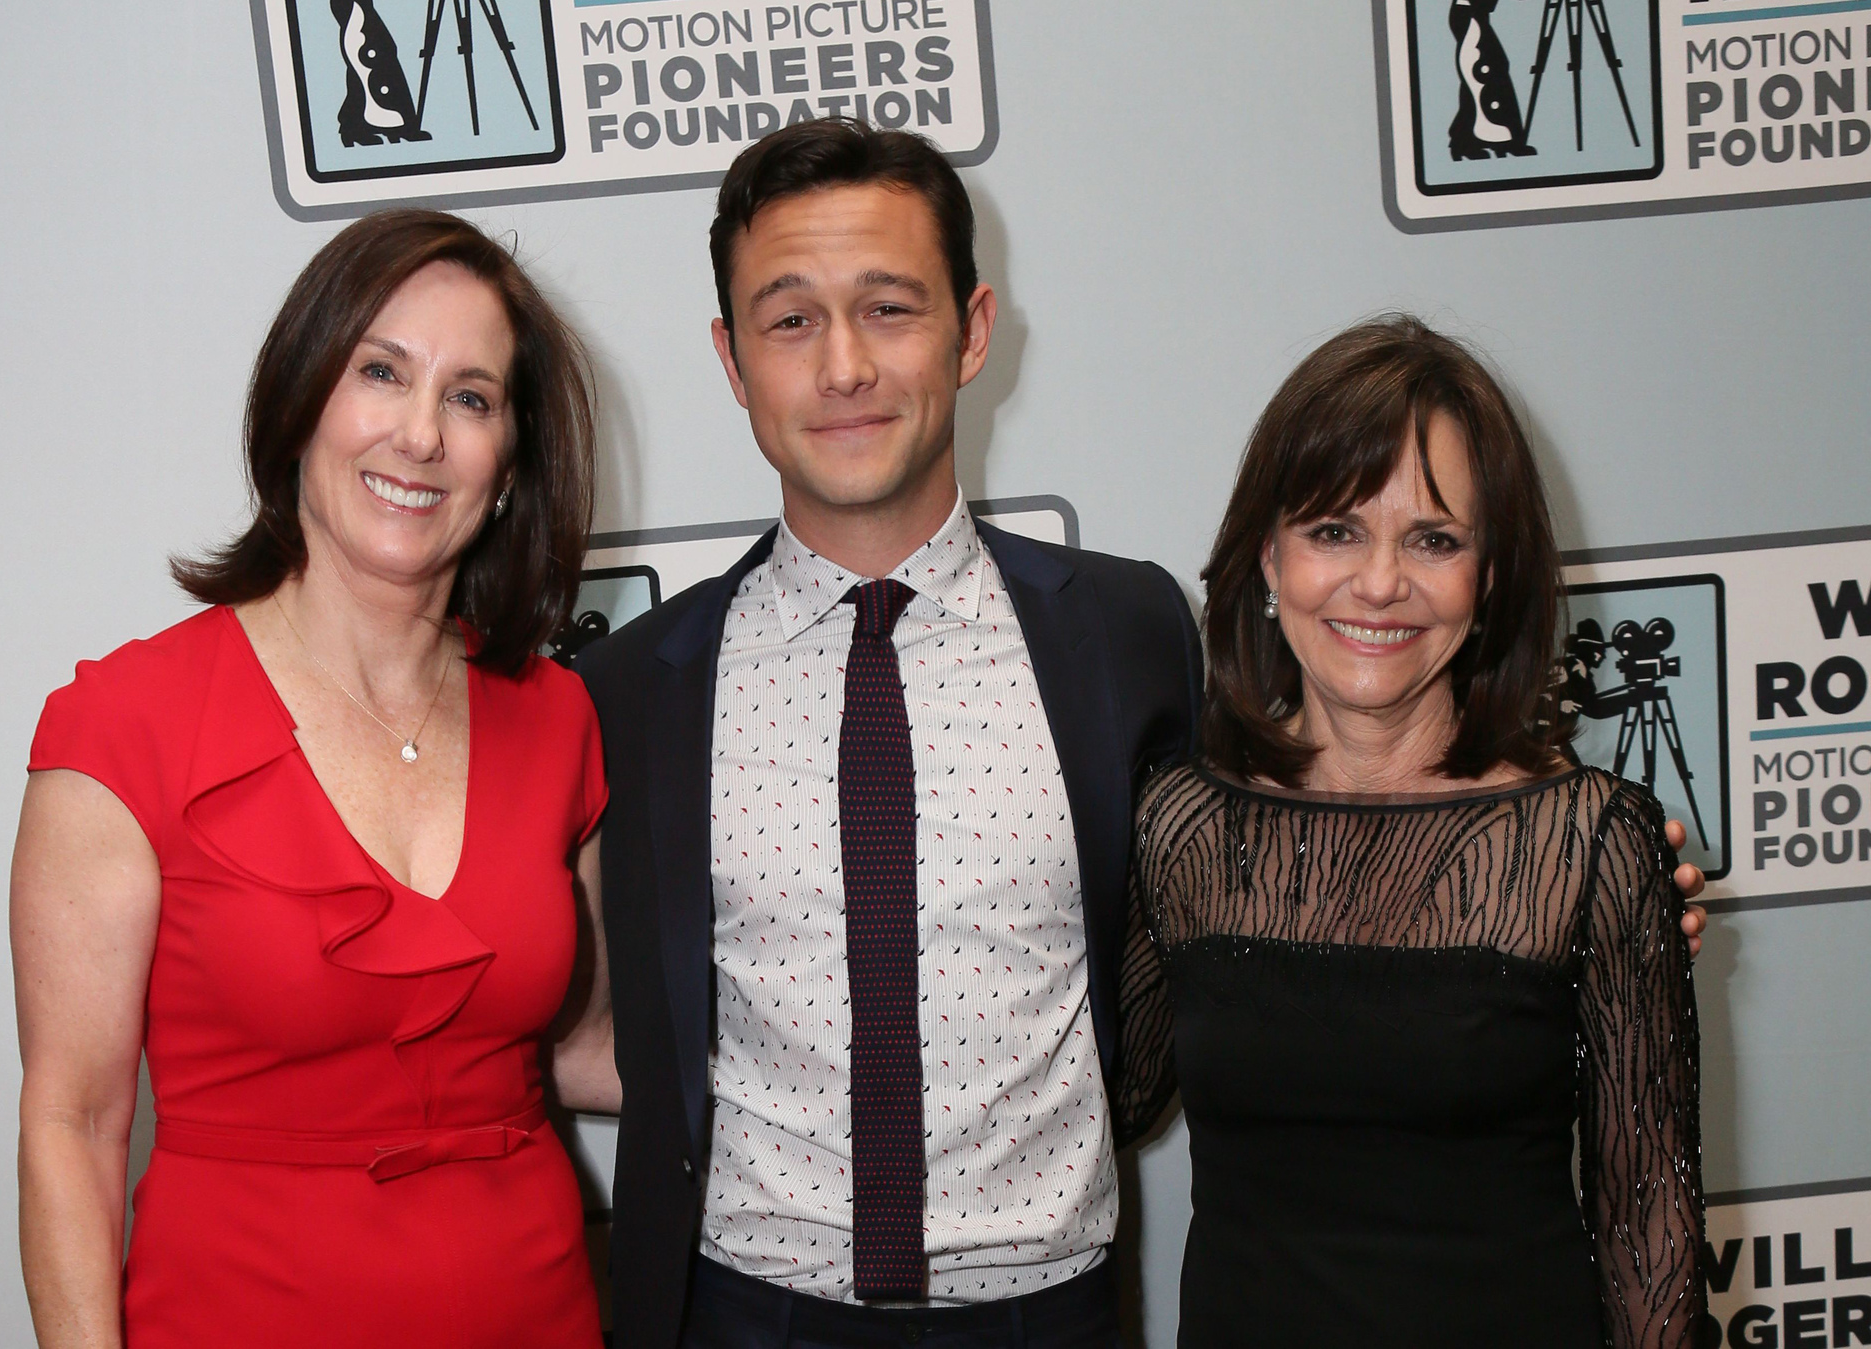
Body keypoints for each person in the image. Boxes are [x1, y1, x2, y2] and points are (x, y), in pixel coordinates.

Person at [573, 123, 1707, 1349]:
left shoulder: (1121, 632)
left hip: (1049, 1318)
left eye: (889, 306)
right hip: (742, 1314)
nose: (843, 364)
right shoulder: (633, 686)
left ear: (971, 330)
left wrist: (1590, 896)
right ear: (730, 360)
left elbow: (1329, 832)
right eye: (789, 319)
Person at [11, 209, 616, 1349]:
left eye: (472, 396)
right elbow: (73, 1121)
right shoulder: (123, 726)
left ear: (511, 459)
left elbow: (586, 1048)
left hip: (540, 1309)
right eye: (379, 371)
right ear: (300, 402)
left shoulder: (556, 715)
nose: (421, 434)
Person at [1118, 316, 1707, 1348]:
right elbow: (1105, 1104)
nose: (1378, 582)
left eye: (1432, 538)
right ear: (1267, 554)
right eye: (1333, 530)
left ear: (1488, 578)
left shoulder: (1587, 843)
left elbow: (1645, 1227)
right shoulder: (1183, 824)